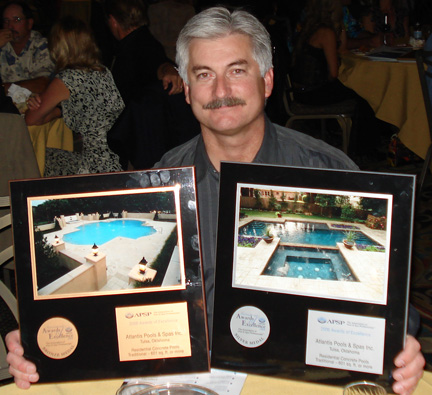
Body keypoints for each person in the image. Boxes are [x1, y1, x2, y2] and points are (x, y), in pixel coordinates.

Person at [6, 7, 425, 393]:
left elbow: (387, 305)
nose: (221, 90)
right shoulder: (162, 183)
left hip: (294, 377)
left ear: (268, 80)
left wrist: (400, 347)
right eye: (204, 75)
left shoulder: (329, 175)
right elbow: (120, 310)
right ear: (187, 90)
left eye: (237, 70)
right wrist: (44, 341)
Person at [24, 16, 124, 176]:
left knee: (36, 161)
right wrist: (54, 110)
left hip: (92, 164)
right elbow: (82, 111)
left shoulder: (66, 79)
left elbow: (30, 119)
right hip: (116, 157)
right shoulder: (103, 72)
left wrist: (36, 102)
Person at [291, 0, 389, 159]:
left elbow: (342, 48)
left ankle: (363, 146)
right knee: (365, 96)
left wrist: (341, 27)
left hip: (302, 90)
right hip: (312, 92)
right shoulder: (326, 33)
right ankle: (364, 150)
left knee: (358, 92)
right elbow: (333, 73)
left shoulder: (311, 28)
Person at [103, 0, 182, 105]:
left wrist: (169, 70)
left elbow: (157, 62)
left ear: (113, 21)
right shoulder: (138, 40)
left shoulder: (141, 44)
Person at [0, 1, 54, 94]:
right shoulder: (2, 44)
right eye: (6, 21)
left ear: (29, 23)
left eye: (16, 20)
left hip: (35, 105)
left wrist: (3, 89)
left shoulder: (41, 45)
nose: (10, 26)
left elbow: (42, 85)